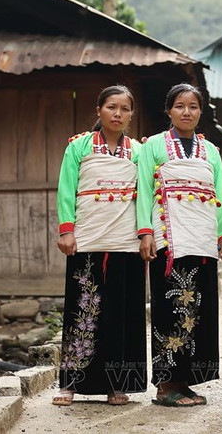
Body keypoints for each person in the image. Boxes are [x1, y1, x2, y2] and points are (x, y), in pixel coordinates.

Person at [54, 85, 146, 406]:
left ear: (131, 114)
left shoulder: (139, 152)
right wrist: (67, 231)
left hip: (126, 242)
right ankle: (70, 383)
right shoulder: (78, 147)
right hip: (88, 239)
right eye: (111, 107)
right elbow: (66, 189)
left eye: (124, 109)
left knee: (120, 314)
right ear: (99, 110)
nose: (117, 114)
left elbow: (146, 196)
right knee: (83, 311)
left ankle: (117, 384)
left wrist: (147, 234)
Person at [136, 83, 222, 407]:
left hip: (202, 239)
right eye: (180, 106)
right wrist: (146, 232)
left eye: (193, 107)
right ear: (169, 110)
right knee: (169, 309)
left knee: (198, 311)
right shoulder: (154, 146)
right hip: (168, 241)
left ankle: (185, 382)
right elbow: (145, 190)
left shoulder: (211, 151)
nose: (186, 112)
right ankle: (166, 386)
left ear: (200, 112)